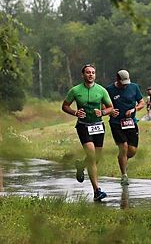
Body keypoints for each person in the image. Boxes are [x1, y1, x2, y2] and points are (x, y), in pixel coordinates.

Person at [61, 64, 113, 201]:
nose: (91, 74)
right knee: (91, 156)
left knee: (97, 158)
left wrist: (102, 112)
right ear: (83, 75)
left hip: (98, 125)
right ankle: (97, 191)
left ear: (95, 75)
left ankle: (81, 165)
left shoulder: (101, 90)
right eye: (88, 72)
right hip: (83, 126)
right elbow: (65, 106)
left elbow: (110, 108)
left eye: (93, 72)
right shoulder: (75, 90)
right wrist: (75, 112)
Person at [106, 70, 144, 186]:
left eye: (127, 82)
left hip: (130, 122)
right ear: (117, 79)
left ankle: (122, 158)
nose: (126, 85)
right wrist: (110, 111)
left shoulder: (134, 87)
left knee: (131, 151)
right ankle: (124, 175)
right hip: (116, 123)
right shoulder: (109, 90)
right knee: (124, 147)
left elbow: (141, 102)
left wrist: (134, 109)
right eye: (123, 82)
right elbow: (104, 105)